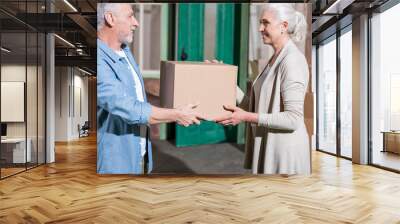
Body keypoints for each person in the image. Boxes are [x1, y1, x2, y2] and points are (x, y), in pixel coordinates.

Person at [97, 3, 204, 174]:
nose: (136, 22)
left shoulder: (124, 51)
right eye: (130, 15)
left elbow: (137, 97)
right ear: (110, 18)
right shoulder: (98, 61)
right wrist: (176, 114)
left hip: (141, 153)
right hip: (116, 161)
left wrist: (204, 75)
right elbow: (127, 107)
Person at [215, 4, 311, 175]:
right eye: (260, 23)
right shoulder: (274, 58)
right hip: (271, 145)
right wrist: (224, 78)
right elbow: (254, 106)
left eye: (265, 23)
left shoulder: (292, 61)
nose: (260, 28)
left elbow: (293, 119)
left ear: (284, 26)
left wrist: (245, 117)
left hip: (285, 153)